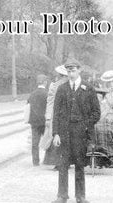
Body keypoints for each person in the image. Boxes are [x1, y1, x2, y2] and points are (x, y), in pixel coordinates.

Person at [52, 58, 100, 203]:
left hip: (81, 134)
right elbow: (56, 113)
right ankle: (62, 196)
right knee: (63, 165)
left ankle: (80, 197)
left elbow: (96, 113)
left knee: (80, 165)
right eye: (68, 71)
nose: (70, 74)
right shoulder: (61, 89)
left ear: (79, 70)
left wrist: (85, 125)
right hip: (64, 133)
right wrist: (56, 134)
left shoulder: (89, 88)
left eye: (73, 71)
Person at [43, 65, 68, 167]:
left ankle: (63, 161)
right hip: (56, 115)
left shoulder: (71, 85)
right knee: (55, 136)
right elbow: (50, 102)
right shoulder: (54, 86)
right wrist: (48, 117)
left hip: (66, 115)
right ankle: (57, 162)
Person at [28, 74, 48, 166]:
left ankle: (35, 161)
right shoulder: (47, 94)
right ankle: (48, 160)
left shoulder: (32, 94)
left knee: (35, 142)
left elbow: (27, 105)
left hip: (34, 121)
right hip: (44, 121)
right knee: (48, 140)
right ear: (45, 82)